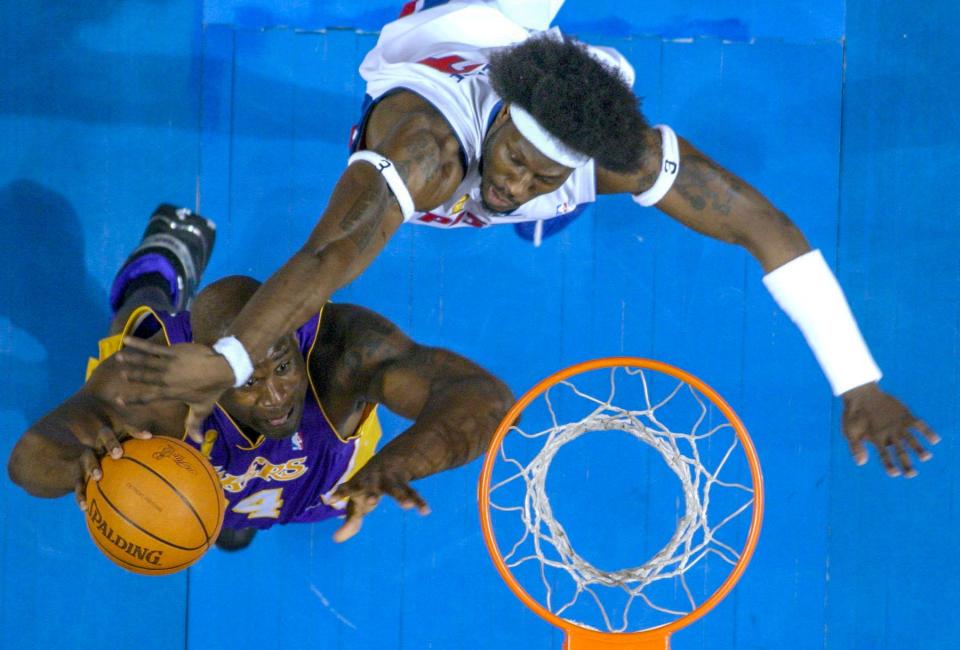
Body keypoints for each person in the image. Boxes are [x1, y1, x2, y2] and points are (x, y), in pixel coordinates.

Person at [110, 1, 938, 478]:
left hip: (544, 114)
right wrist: (229, 362)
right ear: (499, 117)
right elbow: (329, 256)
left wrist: (857, 379)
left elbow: (768, 229)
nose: (513, 184)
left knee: (539, 203)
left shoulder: (613, 157)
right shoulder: (429, 145)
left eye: (543, 178)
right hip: (454, 47)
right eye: (513, 161)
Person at [6, 205, 514, 550]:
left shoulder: (344, 353)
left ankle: (232, 513)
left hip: (325, 484)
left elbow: (486, 402)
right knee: (137, 325)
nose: (275, 395)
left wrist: (400, 463)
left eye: (284, 367)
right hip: (190, 446)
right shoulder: (149, 391)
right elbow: (30, 460)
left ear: (295, 337)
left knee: (224, 517)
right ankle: (154, 274)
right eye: (248, 382)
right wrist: (79, 463)